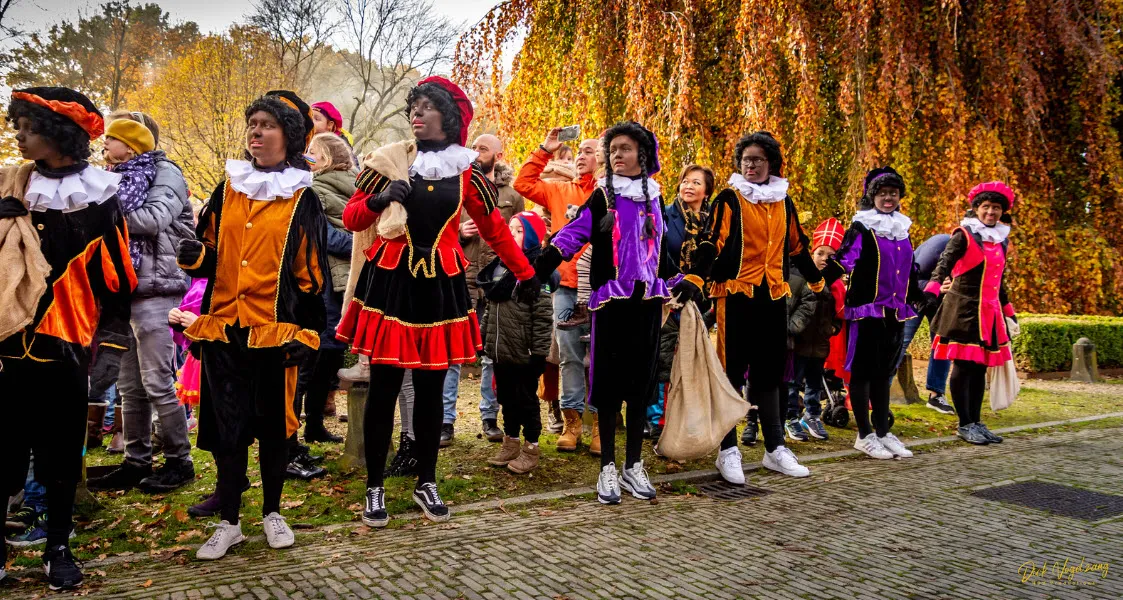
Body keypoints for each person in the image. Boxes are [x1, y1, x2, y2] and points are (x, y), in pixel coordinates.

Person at [337, 76, 540, 527]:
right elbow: (353, 218)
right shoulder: (388, 160)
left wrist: (527, 272)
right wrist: (380, 198)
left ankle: (426, 480)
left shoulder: (466, 170)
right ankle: (374, 486)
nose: (417, 114)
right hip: (391, 279)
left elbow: (494, 231)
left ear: (448, 119)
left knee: (430, 391)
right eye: (415, 106)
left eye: (428, 107)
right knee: (384, 386)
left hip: (440, 285)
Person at [176, 90, 328, 560]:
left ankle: (273, 512)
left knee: (275, 427)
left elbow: (311, 276)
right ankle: (229, 523)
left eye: (266, 125)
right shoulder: (228, 188)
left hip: (275, 332)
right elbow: (211, 258)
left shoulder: (303, 199)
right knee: (229, 428)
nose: (255, 132)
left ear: (290, 135)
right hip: (225, 330)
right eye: (253, 124)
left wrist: (309, 335)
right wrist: (196, 258)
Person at [0, 86, 135, 591]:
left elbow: (118, 283)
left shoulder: (101, 198)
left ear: (57, 134)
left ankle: (59, 545)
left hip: (65, 346)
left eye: (27, 127)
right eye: (18, 125)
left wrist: (111, 353)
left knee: (59, 454)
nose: (19, 134)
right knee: (4, 451)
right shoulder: (9, 188)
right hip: (6, 345)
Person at [536, 120, 676, 504]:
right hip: (611, 305)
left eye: (626, 148)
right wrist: (537, 264)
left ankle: (634, 465)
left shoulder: (656, 198)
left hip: (647, 304)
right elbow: (571, 235)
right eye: (613, 149)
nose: (617, 154)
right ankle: (608, 469)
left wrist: (683, 280)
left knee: (639, 386)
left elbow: (663, 251)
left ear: (643, 155)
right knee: (611, 386)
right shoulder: (602, 197)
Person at [676, 131, 822, 484]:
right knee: (731, 373)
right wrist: (696, 279)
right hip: (736, 296)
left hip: (773, 298)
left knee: (769, 375)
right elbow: (712, 242)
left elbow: (797, 247)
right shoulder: (730, 198)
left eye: (758, 159)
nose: (751, 164)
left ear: (771, 163)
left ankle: (775, 448)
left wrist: (820, 279)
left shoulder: (783, 201)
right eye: (746, 159)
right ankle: (727, 450)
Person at [88, 113, 196, 494]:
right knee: (129, 387)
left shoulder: (166, 172)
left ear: (135, 141)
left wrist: (93, 214)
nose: (104, 145)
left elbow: (152, 219)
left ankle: (179, 461)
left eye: (113, 136)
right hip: (124, 291)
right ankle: (136, 461)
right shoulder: (116, 176)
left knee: (158, 382)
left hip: (158, 288)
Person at [824, 167, 922, 460]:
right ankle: (864, 435)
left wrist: (918, 295)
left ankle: (882, 431)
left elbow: (910, 269)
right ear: (872, 197)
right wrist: (817, 282)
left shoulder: (902, 230)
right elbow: (844, 262)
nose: (888, 198)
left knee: (883, 375)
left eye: (893, 193)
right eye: (882, 194)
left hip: (894, 313)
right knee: (863, 374)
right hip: (867, 312)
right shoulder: (863, 228)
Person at [514, 128, 599, 453]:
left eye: (589, 151)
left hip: (604, 287)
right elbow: (523, 184)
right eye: (578, 151)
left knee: (601, 358)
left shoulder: (613, 192)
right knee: (569, 358)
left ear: (603, 159)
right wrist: (545, 149)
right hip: (565, 286)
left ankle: (598, 428)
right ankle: (572, 425)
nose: (580, 155)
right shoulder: (560, 190)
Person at [442, 133, 526, 446]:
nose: (476, 152)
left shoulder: (512, 195)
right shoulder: (456, 185)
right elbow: (437, 229)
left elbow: (522, 234)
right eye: (474, 147)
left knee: (492, 354)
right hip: (460, 279)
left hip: (497, 285)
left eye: (483, 148)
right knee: (452, 355)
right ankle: (445, 421)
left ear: (498, 154)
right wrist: (459, 231)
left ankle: (490, 417)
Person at [925, 182, 1018, 445]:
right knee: (963, 367)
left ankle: (976, 421)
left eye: (996, 208)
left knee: (980, 369)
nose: (991, 212)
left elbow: (1000, 280)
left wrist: (1008, 310)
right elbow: (943, 265)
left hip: (988, 314)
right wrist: (931, 291)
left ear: (1002, 212)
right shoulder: (964, 235)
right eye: (986, 207)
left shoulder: (1002, 239)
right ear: (976, 209)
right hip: (962, 312)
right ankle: (964, 423)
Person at [481, 211, 555, 474]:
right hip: (501, 351)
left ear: (533, 235)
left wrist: (538, 353)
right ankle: (510, 441)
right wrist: (484, 338)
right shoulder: (500, 266)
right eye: (509, 228)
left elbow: (543, 317)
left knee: (526, 401)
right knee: (506, 399)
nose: (511, 233)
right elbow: (490, 308)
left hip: (524, 353)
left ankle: (531, 447)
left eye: (519, 230)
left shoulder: (537, 270)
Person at [296, 132, 357, 445]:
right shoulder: (357, 186)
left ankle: (310, 425)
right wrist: (365, 246)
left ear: (329, 159)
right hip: (341, 278)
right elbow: (336, 236)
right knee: (324, 353)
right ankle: (305, 426)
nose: (307, 158)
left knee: (323, 354)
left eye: (313, 153)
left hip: (330, 279)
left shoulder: (315, 190)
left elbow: (326, 238)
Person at [649, 164, 715, 438]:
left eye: (696, 182)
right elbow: (658, 254)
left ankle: (686, 416)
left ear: (707, 190)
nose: (688, 186)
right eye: (685, 181)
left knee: (690, 359)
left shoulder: (713, 222)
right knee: (662, 356)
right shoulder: (665, 215)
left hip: (700, 299)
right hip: (668, 295)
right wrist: (676, 282)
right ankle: (656, 419)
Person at [784, 218, 844, 442]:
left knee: (814, 383)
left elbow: (838, 313)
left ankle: (812, 416)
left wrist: (833, 328)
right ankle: (791, 416)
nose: (824, 260)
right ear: (811, 253)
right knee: (793, 382)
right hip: (799, 342)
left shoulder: (835, 284)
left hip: (820, 344)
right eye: (820, 254)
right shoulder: (800, 277)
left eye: (830, 256)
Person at [896, 233, 955, 414]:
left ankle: (936, 394)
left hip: (940, 302)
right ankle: (878, 389)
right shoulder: (940, 245)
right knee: (901, 341)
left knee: (942, 343)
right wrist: (934, 285)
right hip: (917, 297)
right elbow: (908, 277)